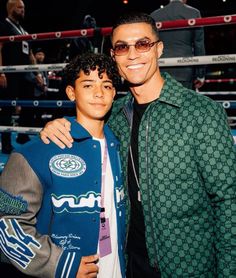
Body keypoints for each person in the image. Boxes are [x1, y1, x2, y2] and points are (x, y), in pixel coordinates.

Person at [40, 12, 236, 277]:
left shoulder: (201, 113)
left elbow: (229, 202)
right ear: (114, 55)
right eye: (122, 47)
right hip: (127, 263)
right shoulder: (113, 115)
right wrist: (58, 124)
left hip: (191, 267)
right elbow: (84, 123)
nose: (132, 55)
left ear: (159, 49)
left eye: (142, 44)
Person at [0, 52, 126, 278]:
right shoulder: (34, 153)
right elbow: (7, 225)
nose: (99, 93)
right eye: (88, 85)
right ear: (71, 92)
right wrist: (59, 264)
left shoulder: (121, 147)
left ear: (114, 93)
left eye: (106, 86)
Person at [0, 0, 44, 152]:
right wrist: (1, 71)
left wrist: (37, 73)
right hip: (10, 74)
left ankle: (22, 136)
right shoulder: (3, 26)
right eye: (19, 7)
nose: (22, 10)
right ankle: (5, 144)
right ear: (11, 8)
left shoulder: (23, 30)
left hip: (25, 75)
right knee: (7, 108)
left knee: (28, 105)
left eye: (24, 8)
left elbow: (31, 54)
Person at [150, 0, 206, 90]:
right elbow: (199, 44)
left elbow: (150, 45)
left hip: (160, 69)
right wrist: (200, 74)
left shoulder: (155, 15)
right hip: (185, 69)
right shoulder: (193, 13)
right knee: (184, 103)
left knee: (160, 103)